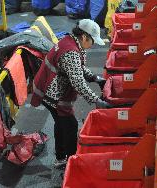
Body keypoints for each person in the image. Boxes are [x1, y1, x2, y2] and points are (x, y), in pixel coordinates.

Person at [30, 19, 110, 167]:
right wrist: (96, 100)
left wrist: (94, 78)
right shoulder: (71, 52)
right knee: (70, 124)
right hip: (52, 94)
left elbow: (76, 68)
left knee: (61, 123)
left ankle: (60, 158)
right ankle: (73, 162)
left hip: (46, 87)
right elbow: (78, 82)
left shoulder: (68, 40)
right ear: (85, 37)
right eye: (92, 41)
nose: (92, 46)